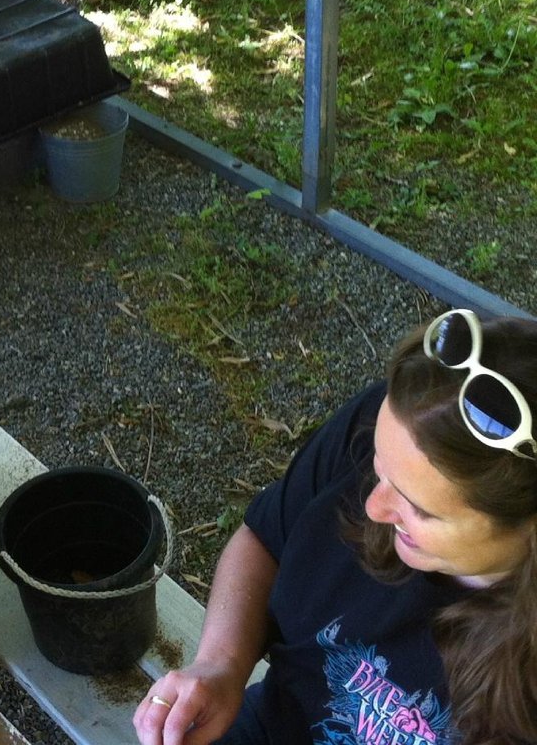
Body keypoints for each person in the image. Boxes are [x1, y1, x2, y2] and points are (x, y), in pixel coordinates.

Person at [135, 308, 537, 745]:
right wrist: (220, 667)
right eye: (380, 469)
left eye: (420, 509)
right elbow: (265, 537)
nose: (374, 506)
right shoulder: (395, 429)